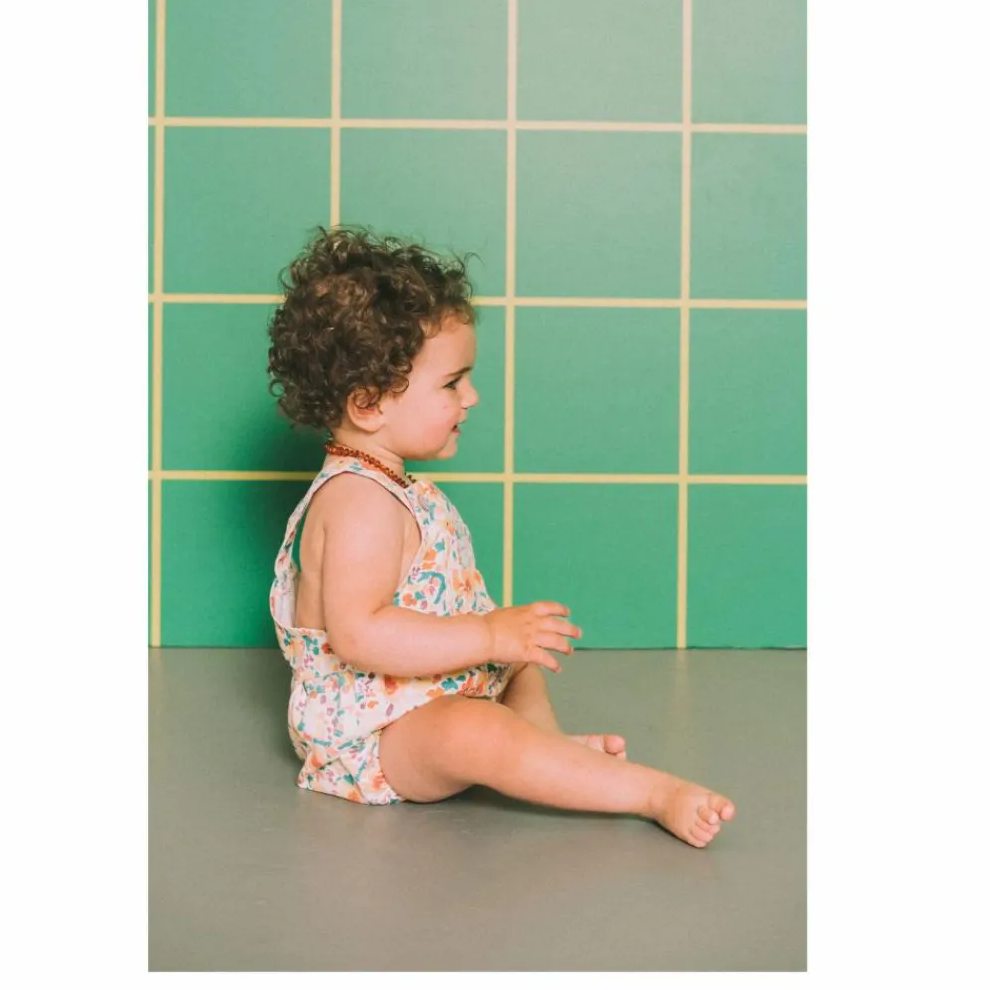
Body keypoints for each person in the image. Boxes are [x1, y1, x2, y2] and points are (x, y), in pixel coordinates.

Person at [266, 226, 735, 848]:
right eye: (452, 383)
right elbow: (360, 635)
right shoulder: (357, 502)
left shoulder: (391, 485)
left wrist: (499, 643)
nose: (472, 397)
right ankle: (649, 793)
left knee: (517, 667)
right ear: (369, 403)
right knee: (476, 732)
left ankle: (547, 754)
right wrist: (487, 633)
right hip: (375, 736)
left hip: (423, 691)